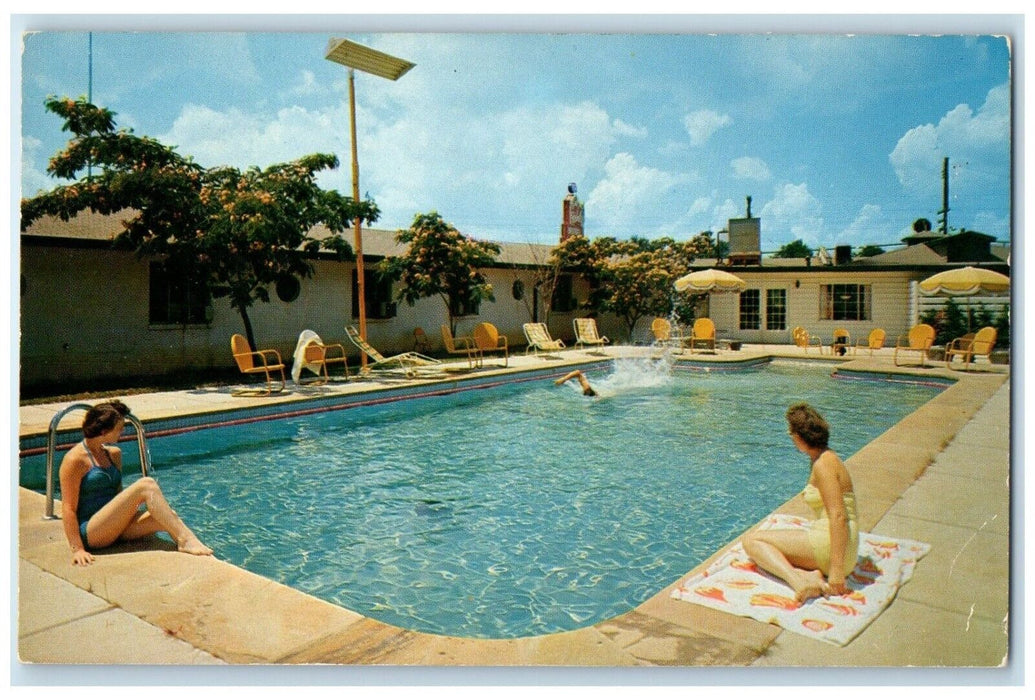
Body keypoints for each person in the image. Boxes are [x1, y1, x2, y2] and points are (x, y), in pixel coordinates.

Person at [59, 400, 212, 566]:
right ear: (104, 431)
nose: (122, 432)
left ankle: (191, 548)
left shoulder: (113, 454)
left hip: (114, 528)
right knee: (146, 485)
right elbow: (68, 509)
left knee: (166, 517)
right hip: (91, 532)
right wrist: (77, 549)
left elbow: (117, 497)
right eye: (119, 429)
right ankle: (187, 541)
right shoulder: (74, 460)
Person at [742, 402, 859, 602]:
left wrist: (836, 571)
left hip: (834, 549)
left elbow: (838, 516)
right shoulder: (824, 457)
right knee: (774, 540)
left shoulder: (824, 465)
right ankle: (810, 573)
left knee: (751, 541)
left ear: (798, 437)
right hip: (844, 545)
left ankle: (797, 581)